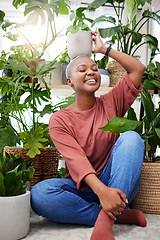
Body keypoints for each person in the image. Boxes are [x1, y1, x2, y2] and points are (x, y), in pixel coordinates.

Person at [31, 31, 147, 240]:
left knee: (131, 138)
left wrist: (104, 49)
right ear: (69, 81)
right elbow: (77, 162)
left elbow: (137, 68)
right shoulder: (60, 120)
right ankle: (115, 214)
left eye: (94, 69)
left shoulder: (112, 101)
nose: (91, 72)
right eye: (82, 69)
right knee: (39, 194)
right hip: (81, 188)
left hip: (116, 183)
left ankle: (105, 221)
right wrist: (102, 194)